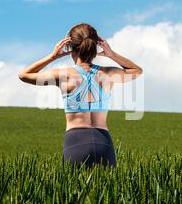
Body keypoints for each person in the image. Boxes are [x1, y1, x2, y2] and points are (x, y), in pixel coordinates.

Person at [18, 23, 143, 168]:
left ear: (71, 48)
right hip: (103, 142)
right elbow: (136, 70)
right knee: (109, 190)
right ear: (95, 48)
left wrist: (52, 57)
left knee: (73, 190)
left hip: (75, 142)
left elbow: (24, 75)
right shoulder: (108, 74)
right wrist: (112, 54)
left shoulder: (63, 75)